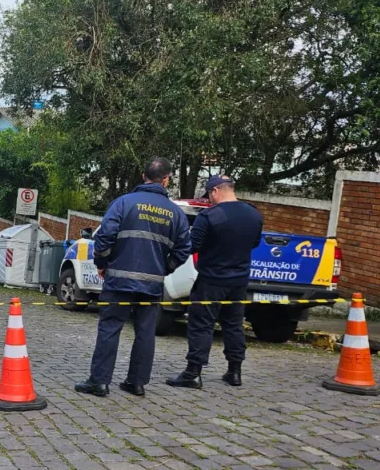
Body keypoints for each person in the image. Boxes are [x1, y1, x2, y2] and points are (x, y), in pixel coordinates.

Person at [75, 158, 191, 398]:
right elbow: (183, 249)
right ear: (167, 179)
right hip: (152, 284)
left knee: (110, 328)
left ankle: (99, 382)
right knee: (145, 331)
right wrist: (164, 268)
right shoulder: (176, 214)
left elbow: (104, 237)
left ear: (143, 175)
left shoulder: (123, 203)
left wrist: (102, 264)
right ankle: (136, 383)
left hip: (118, 280)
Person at [167, 175, 263, 389]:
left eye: (209, 195)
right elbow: (255, 242)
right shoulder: (253, 214)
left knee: (201, 325)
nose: (209, 200)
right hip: (239, 281)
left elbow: (193, 245)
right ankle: (234, 371)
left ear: (215, 191)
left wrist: (169, 263)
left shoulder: (209, 216)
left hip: (211, 280)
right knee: (234, 325)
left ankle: (193, 372)